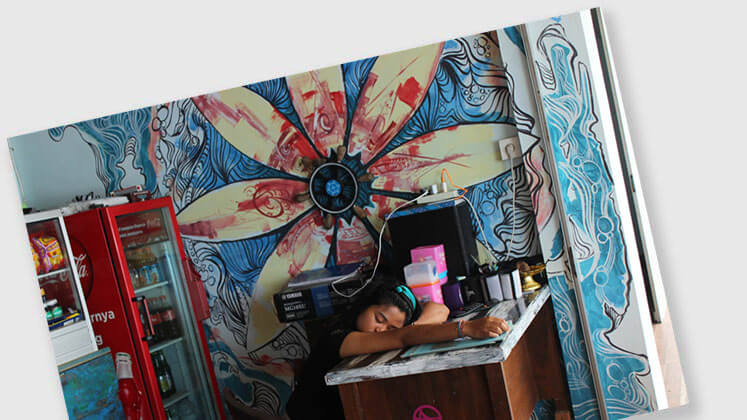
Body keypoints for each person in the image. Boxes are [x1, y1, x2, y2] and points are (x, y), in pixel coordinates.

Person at [224, 281, 510, 420]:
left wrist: (413, 328)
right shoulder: (340, 339)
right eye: (379, 319)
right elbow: (403, 338)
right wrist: (465, 329)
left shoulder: (379, 333)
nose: (380, 330)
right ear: (363, 306)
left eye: (390, 327)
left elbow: (439, 308)